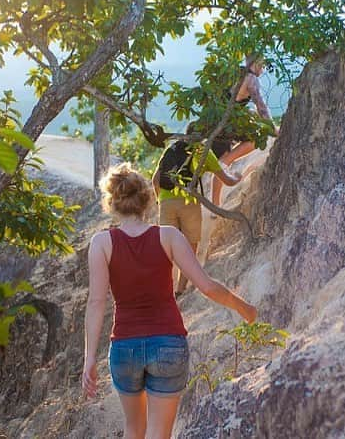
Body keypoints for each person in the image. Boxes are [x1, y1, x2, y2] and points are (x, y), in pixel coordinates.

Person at [83, 163, 257, 439]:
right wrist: (245, 309)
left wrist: (89, 358)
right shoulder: (168, 236)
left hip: (124, 348)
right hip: (168, 344)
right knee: (159, 434)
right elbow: (208, 287)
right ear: (148, 198)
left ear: (111, 202)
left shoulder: (101, 243)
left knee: (133, 429)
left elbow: (96, 303)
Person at [151, 134, 242, 295]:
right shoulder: (203, 151)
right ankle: (179, 290)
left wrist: (160, 200)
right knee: (189, 246)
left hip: (166, 201)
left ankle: (161, 288)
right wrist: (237, 178)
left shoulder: (172, 149)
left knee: (165, 248)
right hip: (189, 201)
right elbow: (226, 180)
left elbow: (155, 180)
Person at [210, 53, 274, 208]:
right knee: (256, 139)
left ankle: (215, 205)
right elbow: (261, 106)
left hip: (215, 120)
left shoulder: (234, 72)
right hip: (226, 124)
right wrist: (272, 129)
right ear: (256, 63)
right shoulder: (251, 79)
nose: (263, 70)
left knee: (221, 164)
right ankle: (227, 161)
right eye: (263, 65)